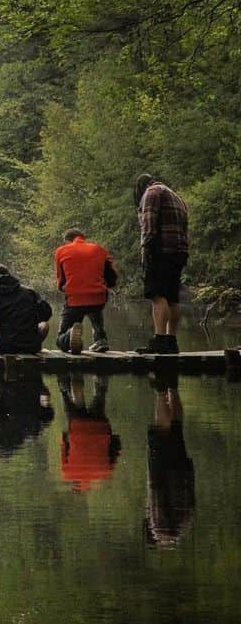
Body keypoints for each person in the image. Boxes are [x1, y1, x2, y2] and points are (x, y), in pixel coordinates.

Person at [133, 174, 189, 354]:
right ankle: (171, 341)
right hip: (179, 252)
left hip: (160, 251)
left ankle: (159, 339)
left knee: (157, 295)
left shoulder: (151, 193)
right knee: (173, 297)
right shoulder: (176, 196)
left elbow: (148, 226)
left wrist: (146, 251)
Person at [145, 370, 195, 546]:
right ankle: (160, 391)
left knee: (176, 428)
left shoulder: (182, 527)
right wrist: (152, 475)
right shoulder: (158, 528)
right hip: (164, 475)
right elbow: (156, 494)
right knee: (161, 431)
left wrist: (189, 472)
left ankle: (173, 388)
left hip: (182, 475)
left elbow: (191, 502)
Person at [54, 228, 118, 354]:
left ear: (68, 241)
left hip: (74, 299)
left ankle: (68, 336)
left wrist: (64, 289)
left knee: (60, 339)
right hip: (98, 297)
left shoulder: (61, 251)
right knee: (95, 307)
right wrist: (106, 286)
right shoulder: (99, 249)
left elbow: (61, 280)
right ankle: (100, 339)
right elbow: (112, 275)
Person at [58, 374, 121, 493]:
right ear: (73, 482)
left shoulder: (104, 474)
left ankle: (101, 382)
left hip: (100, 427)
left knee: (100, 398)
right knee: (72, 410)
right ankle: (67, 386)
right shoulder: (67, 473)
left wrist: (109, 437)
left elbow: (116, 447)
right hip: (77, 426)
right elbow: (63, 442)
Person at [0, 263, 52, 354]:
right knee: (44, 325)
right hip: (33, 347)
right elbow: (47, 313)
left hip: (6, 347)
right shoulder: (29, 292)